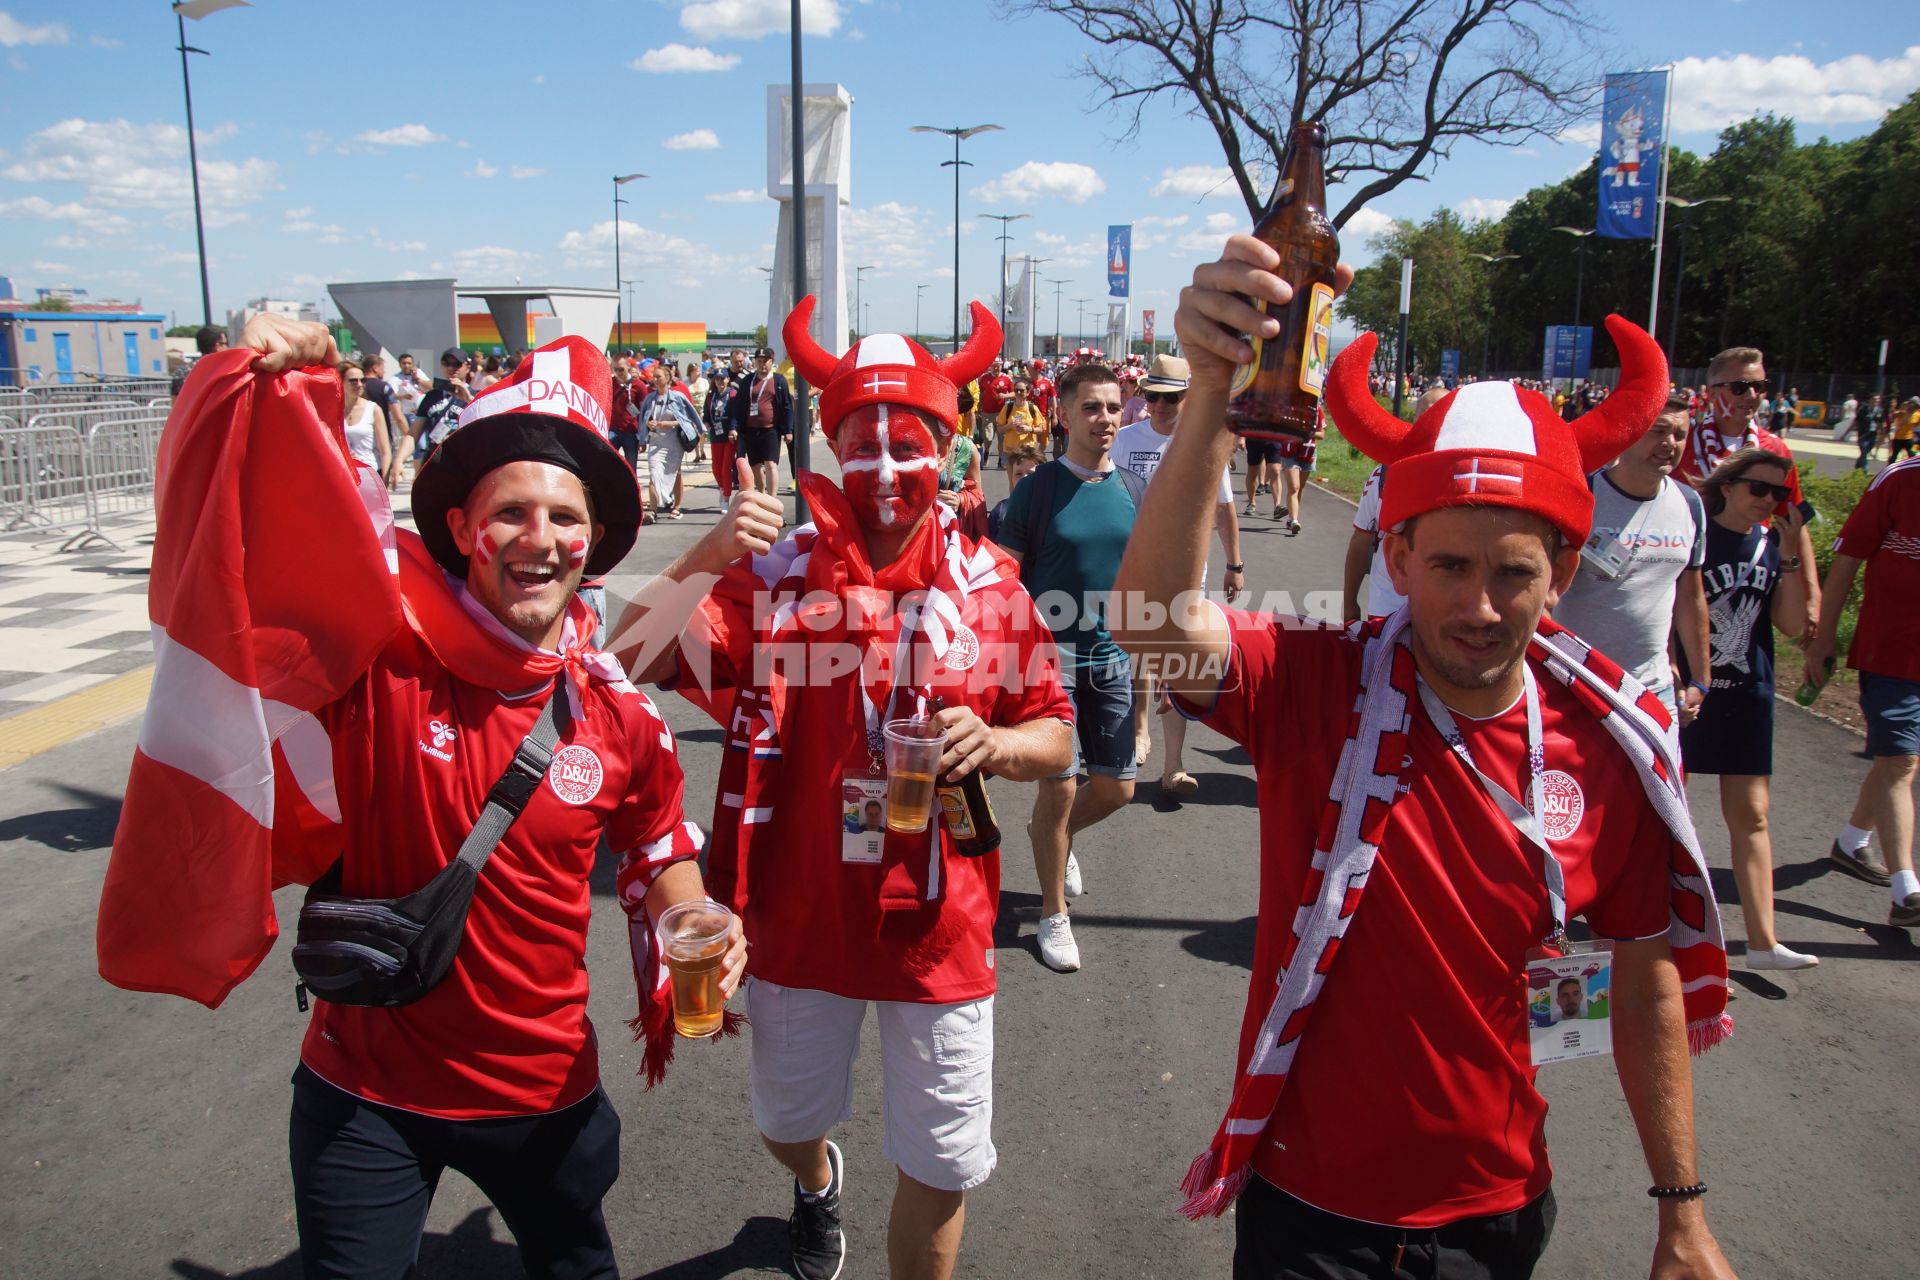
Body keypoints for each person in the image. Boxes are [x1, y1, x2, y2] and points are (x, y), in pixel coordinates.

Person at [1113, 233, 1735, 1279]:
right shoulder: (1319, 680)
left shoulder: (1609, 737)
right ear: (1396, 555)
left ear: (1566, 567)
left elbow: (1644, 975)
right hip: (1309, 1212)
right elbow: (1150, 623)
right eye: (1446, 563)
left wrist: (1682, 1211)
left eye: (1513, 570)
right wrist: (1215, 393)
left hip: (1498, 1212)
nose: (1478, 605)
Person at [99, 317, 745, 1279]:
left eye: (566, 519)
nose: (541, 540)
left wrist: (697, 914)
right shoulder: (380, 655)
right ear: (458, 530)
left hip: (541, 1088)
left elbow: (655, 843)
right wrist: (296, 383)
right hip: (362, 1090)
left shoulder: (613, 708)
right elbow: (270, 543)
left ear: (595, 541)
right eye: (511, 513)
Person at [611, 297, 1071, 1280]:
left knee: (946, 1160)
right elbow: (625, 653)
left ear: (947, 449)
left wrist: (992, 741)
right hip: (799, 916)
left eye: (909, 444)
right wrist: (708, 553)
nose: (886, 469)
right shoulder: (774, 579)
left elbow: (1056, 735)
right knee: (785, 1119)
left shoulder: (993, 584)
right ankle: (816, 1180)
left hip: (939, 925)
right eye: (862, 444)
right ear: (831, 447)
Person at [999, 360, 1145, 973]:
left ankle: (1053, 842)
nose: (1105, 419)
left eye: (1113, 407)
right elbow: (1003, 581)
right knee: (1058, 791)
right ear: (1063, 415)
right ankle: (1053, 915)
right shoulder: (1037, 489)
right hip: (1047, 663)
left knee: (1116, 789)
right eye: (1091, 407)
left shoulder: (1135, 490)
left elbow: (1144, 586)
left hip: (1110, 659)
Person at [1678, 448, 1817, 971]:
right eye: (1760, 489)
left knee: (1753, 815)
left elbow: (1784, 624)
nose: (1769, 501)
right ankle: (1681, 940)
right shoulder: (1696, 534)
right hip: (1695, 693)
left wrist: (1789, 555)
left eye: (1780, 494)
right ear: (1731, 484)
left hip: (1749, 692)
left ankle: (1763, 942)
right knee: (1675, 818)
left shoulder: (1769, 545)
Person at [1112, 354, 1244, 797]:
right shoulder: (1125, 439)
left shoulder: (1203, 443)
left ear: (1187, 398)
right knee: (1142, 654)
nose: (1161, 406)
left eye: (1170, 398)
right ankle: (1140, 729)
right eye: (1152, 397)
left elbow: (1224, 508)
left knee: (1179, 660)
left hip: (1190, 567)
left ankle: (1174, 766)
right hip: (1135, 562)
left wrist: (1234, 563)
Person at [1806, 455, 1920, 927]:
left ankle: (1852, 842)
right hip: (1892, 655)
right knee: (1901, 761)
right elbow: (1848, 557)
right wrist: (1824, 637)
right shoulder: (1901, 480)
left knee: (1897, 758)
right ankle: (1906, 891)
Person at [1551, 392, 1711, 728]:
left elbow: (1690, 596)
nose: (1670, 443)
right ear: (1630, 432)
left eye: (1679, 435)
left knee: (1662, 781)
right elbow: (1544, 590)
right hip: (1577, 681)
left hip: (1653, 689)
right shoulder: (1583, 495)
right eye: (1659, 431)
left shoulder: (1689, 503)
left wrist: (1700, 678)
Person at [1675, 346, 1819, 642]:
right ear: (1712, 393)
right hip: (1689, 580)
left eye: (1759, 387)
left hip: (1751, 580)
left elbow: (1794, 522)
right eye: (1740, 387)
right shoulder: (1683, 446)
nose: (1752, 395)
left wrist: (1812, 592)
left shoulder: (1775, 450)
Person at [639, 363, 698, 521]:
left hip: (674, 442)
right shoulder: (650, 398)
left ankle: (677, 507)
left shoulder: (677, 397)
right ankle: (653, 510)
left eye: (659, 377)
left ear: (668, 379)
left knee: (675, 473)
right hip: (656, 441)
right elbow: (643, 418)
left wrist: (669, 424)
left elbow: (686, 420)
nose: (655, 379)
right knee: (654, 473)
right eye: (654, 377)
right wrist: (646, 429)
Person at [728, 348, 790, 498]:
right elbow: (738, 404)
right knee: (755, 465)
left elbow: (787, 406)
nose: (762, 364)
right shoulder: (748, 380)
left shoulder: (778, 380)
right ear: (755, 362)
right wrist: (734, 427)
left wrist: (788, 429)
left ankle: (772, 497)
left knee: (770, 464)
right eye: (759, 361)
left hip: (771, 429)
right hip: (750, 429)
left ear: (771, 362)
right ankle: (762, 493)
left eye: (765, 361)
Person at [337, 358, 393, 479]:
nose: (359, 384)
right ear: (341, 382)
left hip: (370, 473)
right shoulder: (334, 411)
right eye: (353, 381)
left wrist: (385, 479)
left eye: (362, 380)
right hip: (344, 476)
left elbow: (385, 451)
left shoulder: (373, 409)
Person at [413, 347, 472, 463]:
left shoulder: (476, 396)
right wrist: (399, 460)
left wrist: (469, 399)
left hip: (464, 460)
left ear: (467, 367)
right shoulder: (432, 396)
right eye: (446, 364)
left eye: (457, 364)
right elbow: (413, 433)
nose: (451, 368)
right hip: (436, 458)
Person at [706, 348, 748, 504]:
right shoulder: (711, 396)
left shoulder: (739, 384)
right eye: (717, 379)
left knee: (728, 466)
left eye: (722, 379)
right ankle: (723, 488)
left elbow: (736, 412)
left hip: (733, 432)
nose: (720, 381)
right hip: (716, 435)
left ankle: (727, 496)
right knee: (716, 468)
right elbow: (706, 413)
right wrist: (706, 426)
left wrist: (734, 428)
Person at [1271, 416, 1323, 535]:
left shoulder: (1317, 409)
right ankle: (1294, 520)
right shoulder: (1289, 408)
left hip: (1308, 451)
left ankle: (1291, 519)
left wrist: (1307, 432)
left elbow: (1321, 434)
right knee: (1294, 487)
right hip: (1290, 451)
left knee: (1300, 488)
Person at [995, 380, 1048, 464]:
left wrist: (1029, 429)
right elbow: (1000, 429)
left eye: (1022, 390)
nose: (1018, 392)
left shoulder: (1032, 408)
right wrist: (1010, 425)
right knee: (1012, 477)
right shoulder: (1007, 408)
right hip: (1010, 450)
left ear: (1028, 393)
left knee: (1025, 476)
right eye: (1016, 390)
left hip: (1027, 450)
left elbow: (1042, 429)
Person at [609, 356, 643, 470]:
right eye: (615, 369)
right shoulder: (609, 383)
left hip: (631, 431)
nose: (618, 372)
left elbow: (644, 411)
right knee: (608, 461)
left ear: (628, 367)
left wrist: (643, 436)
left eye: (621, 369)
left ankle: (631, 487)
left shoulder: (638, 385)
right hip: (612, 430)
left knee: (631, 465)